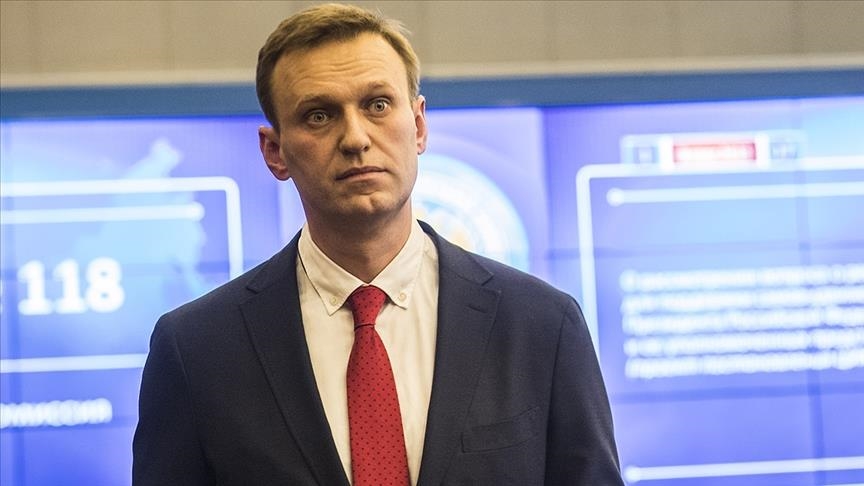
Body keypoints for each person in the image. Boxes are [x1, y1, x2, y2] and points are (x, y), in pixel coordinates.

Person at [132, 3, 623, 485]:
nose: (355, 138)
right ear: (275, 151)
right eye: (319, 115)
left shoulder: (541, 324)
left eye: (378, 105)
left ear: (419, 126)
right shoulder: (196, 349)